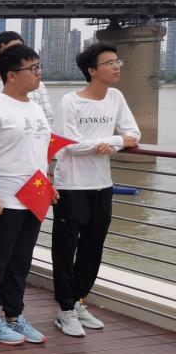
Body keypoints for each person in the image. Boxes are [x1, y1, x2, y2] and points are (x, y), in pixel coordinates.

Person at [52, 44, 139, 337]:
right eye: (109, 62)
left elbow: (133, 133)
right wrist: (111, 142)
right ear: (91, 70)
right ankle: (65, 309)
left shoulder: (115, 97)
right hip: (71, 185)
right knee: (66, 249)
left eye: (117, 61)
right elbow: (69, 144)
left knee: (93, 247)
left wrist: (113, 142)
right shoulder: (70, 101)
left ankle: (78, 301)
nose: (116, 66)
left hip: (102, 184)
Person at [0, 45, 54, 345]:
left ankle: (15, 315)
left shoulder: (35, 107)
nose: (38, 73)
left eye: (38, 67)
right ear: (12, 75)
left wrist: (48, 184)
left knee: (21, 262)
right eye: (32, 68)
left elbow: (38, 152)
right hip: (5, 199)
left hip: (34, 197)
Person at [0, 31, 55, 129]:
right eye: (10, 50)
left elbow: (49, 121)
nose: (17, 53)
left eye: (20, 48)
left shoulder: (38, 86)